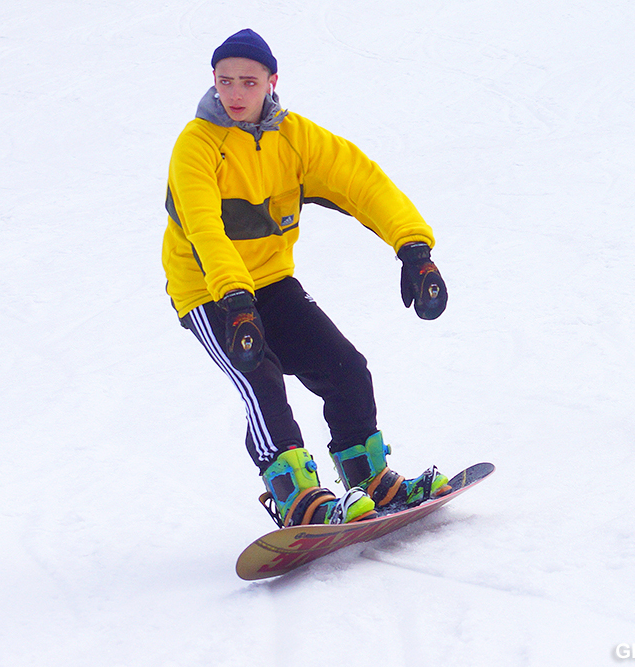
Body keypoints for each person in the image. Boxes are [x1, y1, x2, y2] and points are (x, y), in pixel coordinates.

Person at [162, 29, 451, 528]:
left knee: (346, 369)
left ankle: (370, 481)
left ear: (272, 82)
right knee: (262, 383)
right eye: (225, 81)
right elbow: (205, 230)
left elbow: (361, 182)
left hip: (271, 281)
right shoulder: (196, 145)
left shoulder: (295, 139)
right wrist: (234, 300)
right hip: (209, 291)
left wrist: (414, 248)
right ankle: (296, 497)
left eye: (247, 82)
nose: (234, 94)